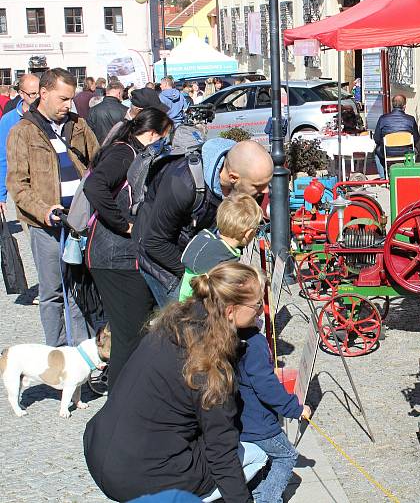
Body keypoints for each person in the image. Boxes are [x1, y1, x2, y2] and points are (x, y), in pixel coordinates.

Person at [83, 262, 271, 502]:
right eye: (256, 306)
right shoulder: (209, 364)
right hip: (143, 479)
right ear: (230, 311)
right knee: (257, 454)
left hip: (99, 448)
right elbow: (221, 452)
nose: (259, 312)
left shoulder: (172, 324)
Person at [6, 68, 99, 346]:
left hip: (82, 222)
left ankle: (83, 354)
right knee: (53, 292)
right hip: (47, 226)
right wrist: (44, 210)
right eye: (62, 99)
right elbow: (18, 184)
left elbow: (98, 162)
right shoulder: (23, 131)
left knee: (80, 289)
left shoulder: (78, 124)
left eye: (70, 99)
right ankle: (58, 353)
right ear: (43, 94)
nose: (67, 105)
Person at [84, 107, 172, 390]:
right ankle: (120, 401)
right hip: (113, 257)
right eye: (163, 138)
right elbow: (94, 186)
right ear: (151, 134)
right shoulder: (124, 153)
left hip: (120, 256)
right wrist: (123, 224)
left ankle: (131, 394)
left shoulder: (131, 150)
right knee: (128, 335)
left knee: (135, 329)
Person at [134, 139, 274, 307]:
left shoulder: (245, 181)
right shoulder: (182, 184)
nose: (266, 190)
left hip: (201, 259)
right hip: (166, 262)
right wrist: (202, 273)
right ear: (233, 177)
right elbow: (154, 241)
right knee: (189, 326)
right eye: (259, 185)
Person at [236, 292, 311, 503]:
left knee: (260, 458)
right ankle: (268, 500)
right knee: (287, 456)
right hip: (259, 422)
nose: (261, 309)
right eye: (258, 305)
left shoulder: (231, 336)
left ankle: (260, 494)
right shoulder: (255, 343)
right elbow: (266, 386)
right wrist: (295, 409)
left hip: (241, 418)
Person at [178, 193, 262, 302]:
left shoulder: (203, 239)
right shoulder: (227, 260)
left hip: (184, 303)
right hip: (206, 311)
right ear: (249, 233)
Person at [0, 74, 40, 215]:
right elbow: (3, 158)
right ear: (21, 94)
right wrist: (1, 196)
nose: (38, 97)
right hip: (23, 188)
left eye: (40, 92)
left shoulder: (49, 116)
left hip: (49, 186)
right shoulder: (8, 120)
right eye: (32, 94)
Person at [100, 87, 169, 147]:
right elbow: (106, 153)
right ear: (139, 110)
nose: (159, 114)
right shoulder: (121, 128)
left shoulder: (154, 124)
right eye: (154, 111)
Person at [372, 94, 419, 179]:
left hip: (387, 151)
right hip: (406, 151)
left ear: (392, 105)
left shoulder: (383, 119)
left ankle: (383, 178)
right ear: (404, 106)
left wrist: (384, 143)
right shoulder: (411, 119)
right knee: (415, 150)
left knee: (376, 152)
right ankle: (409, 173)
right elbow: (416, 138)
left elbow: (376, 138)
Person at [87, 80, 127, 145]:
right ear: (119, 93)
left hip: (100, 149)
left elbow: (89, 133)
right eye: (122, 93)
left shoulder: (93, 110)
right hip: (118, 149)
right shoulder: (125, 110)